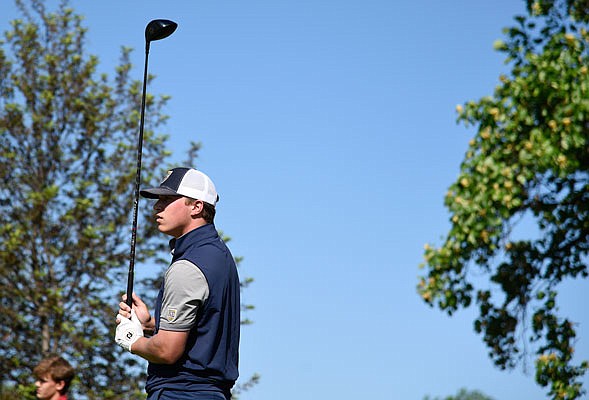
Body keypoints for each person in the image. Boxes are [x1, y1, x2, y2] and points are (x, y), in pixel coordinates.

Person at [115, 167, 240, 400]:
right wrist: (151, 325)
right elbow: (203, 331)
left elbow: (167, 350)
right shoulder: (219, 255)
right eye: (158, 199)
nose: (157, 207)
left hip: (180, 393)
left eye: (168, 199)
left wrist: (132, 339)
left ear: (197, 206)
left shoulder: (188, 266)